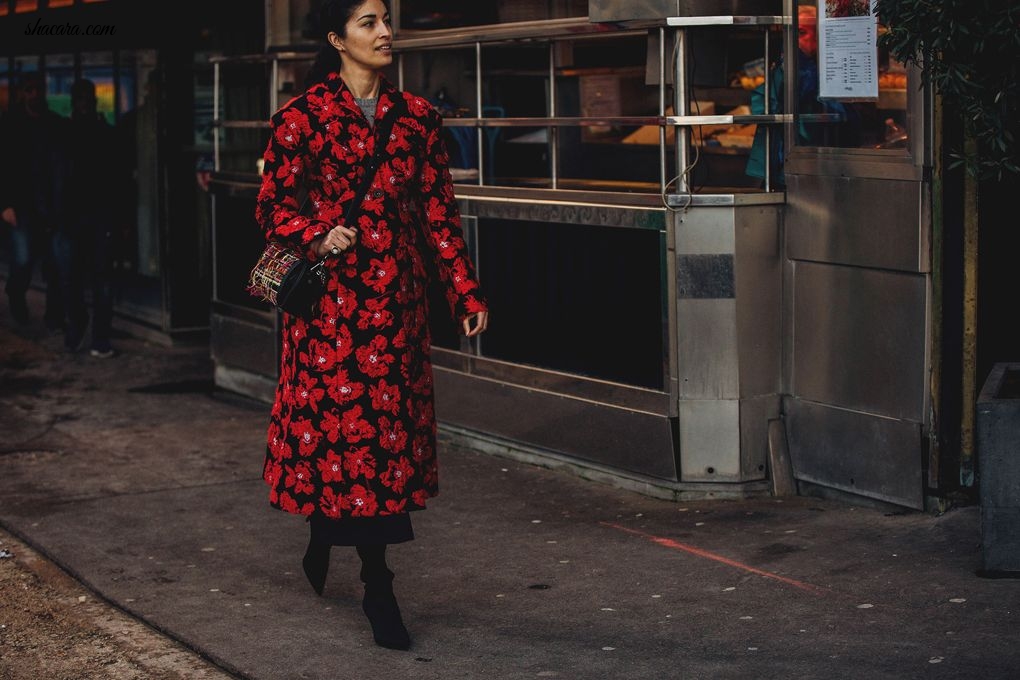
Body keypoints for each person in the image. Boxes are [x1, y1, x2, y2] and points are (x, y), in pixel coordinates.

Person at [254, 0, 489, 651]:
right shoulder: (300, 119)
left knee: (384, 449)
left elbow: (439, 216)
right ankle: (374, 582)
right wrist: (314, 235)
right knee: (345, 444)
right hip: (330, 314)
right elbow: (271, 207)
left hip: (397, 313)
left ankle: (349, 554)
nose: (385, 33)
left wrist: (464, 291)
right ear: (336, 39)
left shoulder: (417, 120)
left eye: (386, 19)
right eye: (367, 22)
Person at [52, 78, 117, 356]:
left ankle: (90, 332)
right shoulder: (85, 133)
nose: (84, 104)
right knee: (84, 279)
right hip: (79, 216)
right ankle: (91, 332)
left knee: (84, 279)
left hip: (86, 215)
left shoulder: (74, 133)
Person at [0, 71, 69, 327]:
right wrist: (4, 204)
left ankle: (54, 315)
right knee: (23, 259)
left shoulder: (54, 124)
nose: (35, 94)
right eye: (30, 90)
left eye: (38, 89)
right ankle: (16, 293)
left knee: (56, 263)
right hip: (23, 205)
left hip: (51, 204)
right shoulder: (10, 125)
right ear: (23, 93)